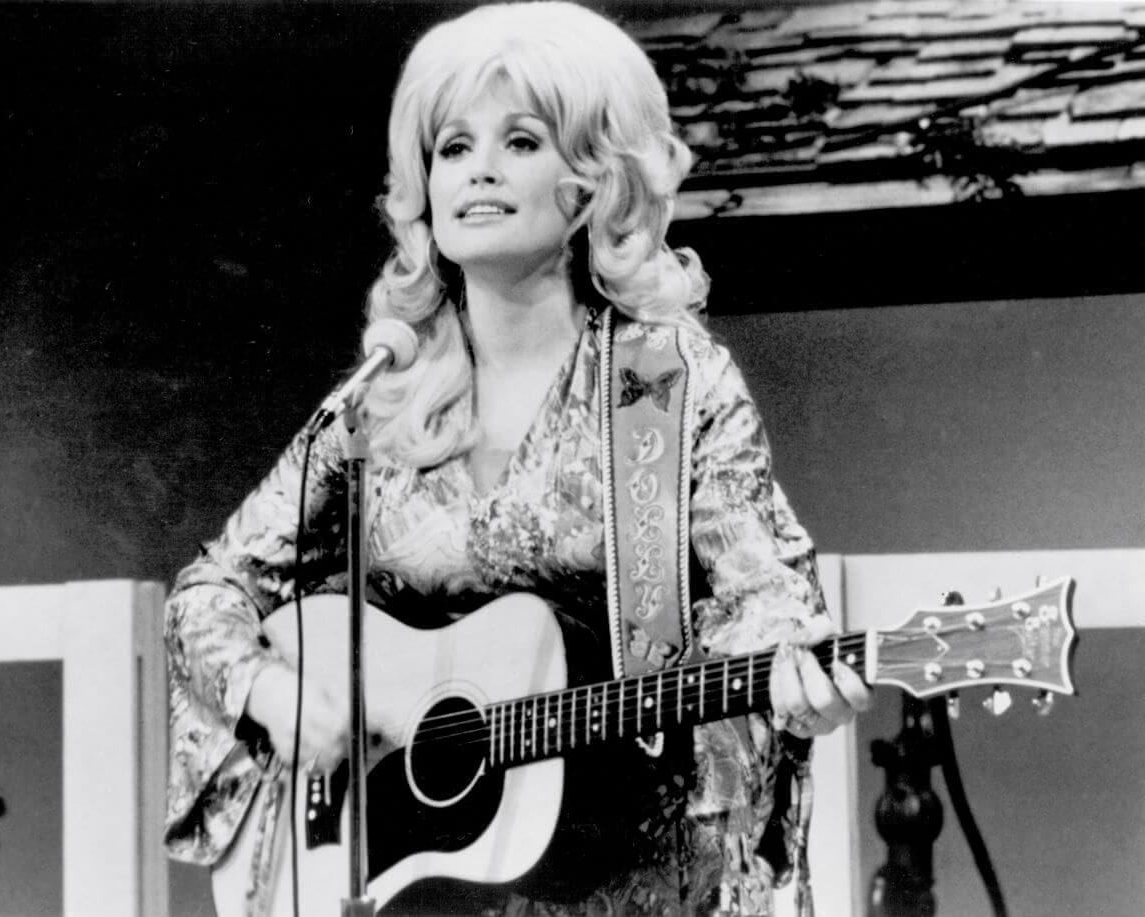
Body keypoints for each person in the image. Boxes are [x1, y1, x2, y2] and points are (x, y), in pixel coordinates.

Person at [163, 2, 872, 915]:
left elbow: (764, 596)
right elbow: (209, 593)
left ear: (592, 183)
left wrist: (793, 679)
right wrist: (272, 693)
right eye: (453, 147)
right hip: (412, 892)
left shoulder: (662, 382)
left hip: (630, 881)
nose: (479, 169)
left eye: (522, 141)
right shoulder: (385, 398)